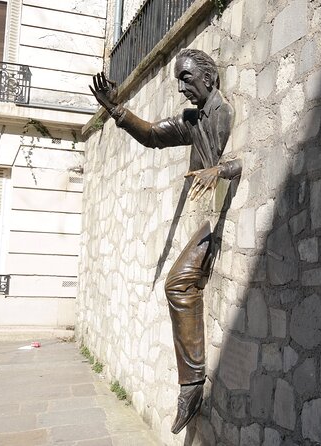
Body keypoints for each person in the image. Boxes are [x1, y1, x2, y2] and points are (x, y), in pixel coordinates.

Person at [90, 48, 241, 434]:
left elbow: (241, 162)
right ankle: (190, 386)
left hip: (216, 221)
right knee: (177, 286)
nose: (181, 88)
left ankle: (191, 385)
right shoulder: (193, 122)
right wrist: (116, 111)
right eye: (178, 81)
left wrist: (219, 169)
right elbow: (155, 135)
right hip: (205, 220)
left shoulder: (223, 112)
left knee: (177, 284)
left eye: (186, 79)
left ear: (208, 76)